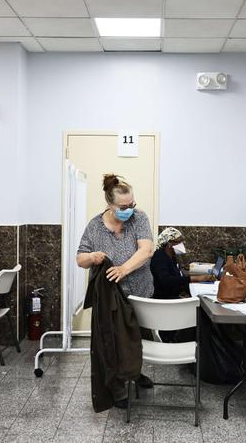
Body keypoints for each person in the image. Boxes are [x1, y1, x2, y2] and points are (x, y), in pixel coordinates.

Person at [77, 173, 154, 407]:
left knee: (139, 338)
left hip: (140, 292)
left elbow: (147, 250)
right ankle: (118, 388)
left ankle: (136, 373)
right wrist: (92, 256)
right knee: (114, 343)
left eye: (131, 204)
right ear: (110, 204)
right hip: (110, 300)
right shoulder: (95, 226)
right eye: (123, 206)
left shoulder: (139, 218)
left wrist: (123, 269)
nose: (128, 209)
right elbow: (80, 259)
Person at [150, 227, 207, 300]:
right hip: (165, 300)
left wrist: (195, 285)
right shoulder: (159, 257)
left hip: (174, 297)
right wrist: (193, 278)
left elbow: (178, 278)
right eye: (178, 242)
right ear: (169, 244)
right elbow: (166, 280)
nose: (182, 244)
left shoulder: (171, 256)